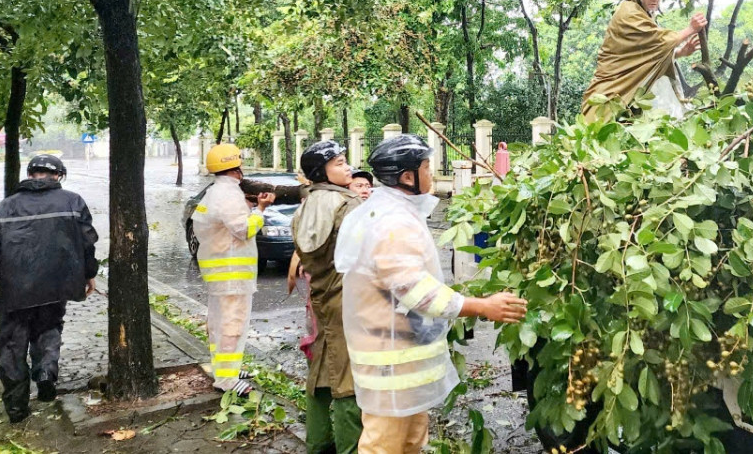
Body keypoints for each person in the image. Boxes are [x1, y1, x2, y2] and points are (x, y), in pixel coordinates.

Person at [334, 134, 527, 454]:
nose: (433, 174)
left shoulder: (388, 211)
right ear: (407, 177)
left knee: (410, 441)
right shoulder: (392, 221)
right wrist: (481, 306)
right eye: (427, 167)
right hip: (390, 364)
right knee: (384, 445)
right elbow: (415, 291)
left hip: (401, 361)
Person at [0, 155, 97, 424]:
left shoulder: (8, 206)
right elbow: (87, 244)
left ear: (30, 174)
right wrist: (89, 274)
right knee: (48, 330)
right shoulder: (73, 201)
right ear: (58, 176)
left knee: (11, 346)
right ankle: (46, 371)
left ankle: (17, 408)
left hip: (17, 292)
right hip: (57, 287)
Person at [291, 141, 364, 454]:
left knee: (321, 367)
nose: (347, 167)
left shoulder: (306, 205)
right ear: (322, 171)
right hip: (347, 298)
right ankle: (350, 448)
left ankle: (318, 442)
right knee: (348, 377)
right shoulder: (348, 205)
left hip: (320, 296)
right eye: (339, 163)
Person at [192, 143, 273, 396]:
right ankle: (226, 381)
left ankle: (226, 369)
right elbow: (244, 230)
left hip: (220, 272)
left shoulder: (214, 193)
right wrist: (260, 211)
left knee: (219, 323)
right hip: (232, 273)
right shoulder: (229, 195)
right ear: (236, 169)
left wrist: (247, 207)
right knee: (233, 324)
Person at [581, 0, 707, 120]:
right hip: (612, 88)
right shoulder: (629, 13)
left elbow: (645, 53)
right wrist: (690, 29)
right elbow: (658, 41)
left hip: (633, 92)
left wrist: (680, 53)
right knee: (600, 126)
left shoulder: (643, 14)